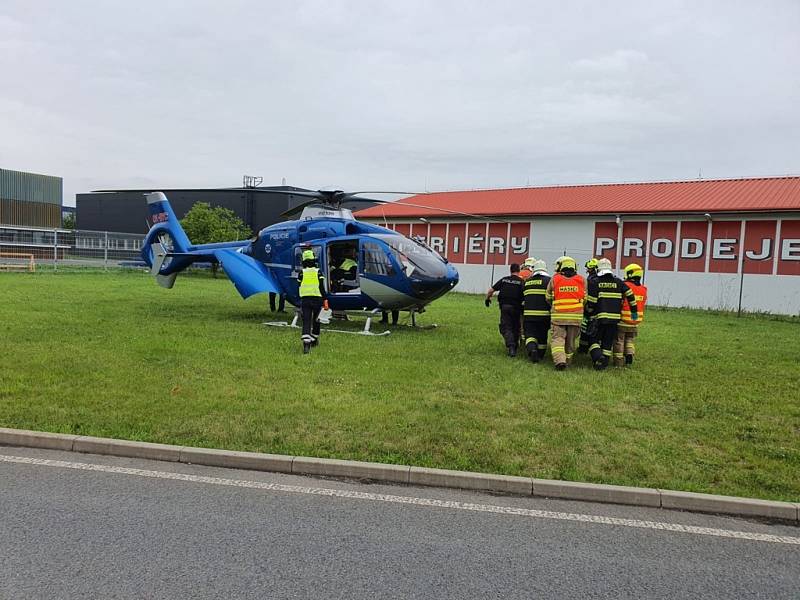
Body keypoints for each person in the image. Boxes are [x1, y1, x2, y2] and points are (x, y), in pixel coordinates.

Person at [584, 258, 637, 370]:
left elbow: (592, 302)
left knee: (593, 340)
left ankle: (598, 357)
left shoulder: (595, 281)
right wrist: (634, 311)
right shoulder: (618, 281)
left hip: (599, 318)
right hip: (615, 319)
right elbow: (630, 294)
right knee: (607, 342)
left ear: (598, 269)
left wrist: (588, 312)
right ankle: (604, 364)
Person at [545, 256, 584, 370]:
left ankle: (560, 361)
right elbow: (585, 298)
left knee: (558, 339)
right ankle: (568, 361)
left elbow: (548, 297)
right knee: (570, 342)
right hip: (575, 317)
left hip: (558, 316)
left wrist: (555, 303)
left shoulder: (555, 279)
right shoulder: (582, 280)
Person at [485, 263, 525, 357]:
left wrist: (487, 299)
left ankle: (511, 346)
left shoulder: (504, 279)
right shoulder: (521, 282)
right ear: (519, 271)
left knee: (506, 327)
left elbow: (491, 290)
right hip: (516, 308)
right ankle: (514, 346)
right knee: (516, 327)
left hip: (504, 307)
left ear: (510, 270)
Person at [614, 263, 647, 367]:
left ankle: (618, 362)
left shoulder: (625, 286)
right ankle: (629, 356)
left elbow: (619, 301)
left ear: (629, 274)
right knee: (629, 340)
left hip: (623, 320)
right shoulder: (643, 289)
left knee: (619, 341)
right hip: (635, 322)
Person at [297, 249, 329, 354]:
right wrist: (325, 300)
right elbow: (321, 287)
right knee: (317, 320)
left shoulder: (301, 273)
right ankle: (314, 339)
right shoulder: (318, 272)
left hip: (305, 300)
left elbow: (298, 285)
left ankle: (306, 344)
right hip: (317, 299)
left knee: (306, 321)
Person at [522, 259, 551, 362]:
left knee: (529, 335)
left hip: (529, 315)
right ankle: (541, 355)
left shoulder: (527, 282)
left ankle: (532, 350)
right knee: (542, 336)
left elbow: (523, 297)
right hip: (544, 315)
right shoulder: (549, 281)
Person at [578, 258, 600, 353]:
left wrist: (588, 307)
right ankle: (584, 348)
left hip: (590, 309)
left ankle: (583, 349)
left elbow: (590, 295)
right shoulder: (597, 278)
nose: (587, 270)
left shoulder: (592, 280)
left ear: (592, 269)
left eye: (588, 268)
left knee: (586, 329)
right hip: (598, 308)